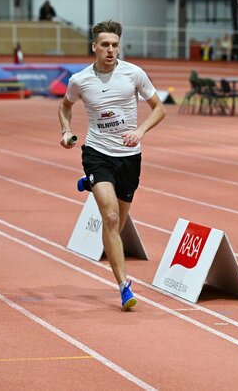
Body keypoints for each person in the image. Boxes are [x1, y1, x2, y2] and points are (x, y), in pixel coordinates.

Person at [58, 20, 165, 311]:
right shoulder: (80, 80)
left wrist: (140, 131)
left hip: (129, 157)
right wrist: (66, 131)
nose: (110, 50)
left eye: (115, 45)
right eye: (105, 44)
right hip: (97, 152)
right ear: (94, 47)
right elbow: (65, 106)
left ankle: (90, 183)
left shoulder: (134, 74)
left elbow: (160, 108)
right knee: (111, 219)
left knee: (119, 220)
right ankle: (123, 286)